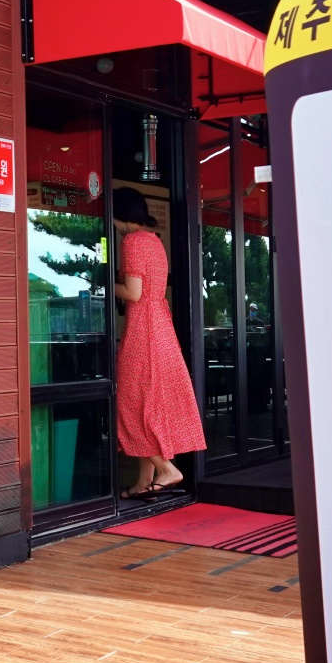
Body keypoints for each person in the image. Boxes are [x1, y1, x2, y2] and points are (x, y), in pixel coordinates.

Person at [111, 187, 205, 498]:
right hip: (160, 328)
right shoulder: (153, 240)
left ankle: (167, 469)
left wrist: (106, 285)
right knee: (147, 404)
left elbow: (134, 293)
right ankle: (143, 483)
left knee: (129, 404)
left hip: (143, 331)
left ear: (121, 214)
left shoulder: (132, 242)